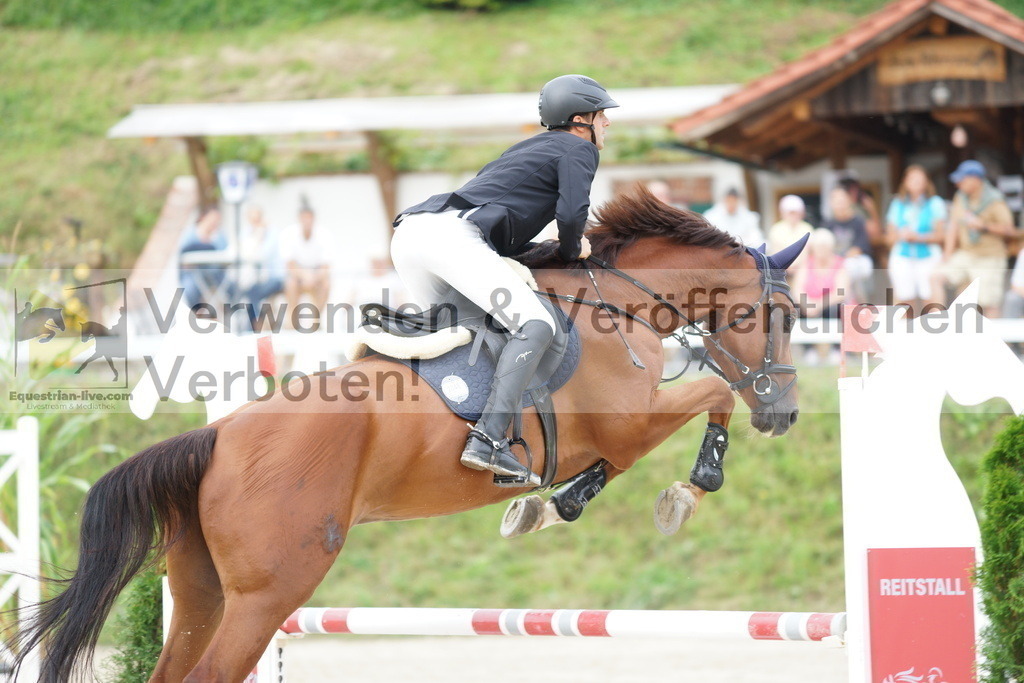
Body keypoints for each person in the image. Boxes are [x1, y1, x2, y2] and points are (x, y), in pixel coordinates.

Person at [391, 74, 617, 485]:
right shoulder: (579, 149)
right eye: (603, 116)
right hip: (450, 239)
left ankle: (439, 424)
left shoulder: (530, 147)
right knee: (536, 325)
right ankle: (488, 439)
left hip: (411, 236)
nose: (608, 124)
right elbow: (570, 217)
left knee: (469, 330)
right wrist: (573, 249)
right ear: (581, 119)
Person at [932, 160, 1014, 318]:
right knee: (936, 276)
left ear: (976, 179)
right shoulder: (961, 197)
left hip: (989, 257)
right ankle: (937, 323)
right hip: (966, 253)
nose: (958, 183)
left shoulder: (995, 200)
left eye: (962, 179)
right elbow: (954, 227)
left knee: (988, 301)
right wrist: (947, 255)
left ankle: (992, 339)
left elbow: (1009, 229)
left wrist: (983, 226)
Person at [884, 166, 947, 315]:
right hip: (902, 256)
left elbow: (941, 235)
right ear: (905, 182)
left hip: (928, 256)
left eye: (920, 179)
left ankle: (934, 332)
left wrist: (918, 237)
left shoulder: (935, 203)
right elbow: (889, 237)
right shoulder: (898, 204)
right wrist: (901, 235)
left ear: (926, 182)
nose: (916, 182)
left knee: (931, 300)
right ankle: (905, 334)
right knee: (903, 301)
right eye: (912, 179)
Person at [791, 228, 850, 366]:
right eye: (819, 247)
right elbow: (797, 289)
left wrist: (819, 304)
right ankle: (809, 350)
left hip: (829, 304)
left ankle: (835, 349)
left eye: (825, 247)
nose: (821, 250)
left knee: (837, 308)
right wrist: (808, 303)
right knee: (796, 307)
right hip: (809, 305)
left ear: (831, 247)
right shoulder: (807, 264)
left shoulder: (839, 264)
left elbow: (841, 292)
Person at [282, 202, 331, 330]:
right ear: (299, 219)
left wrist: (313, 278)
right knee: (290, 283)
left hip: (316, 274)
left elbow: (325, 266)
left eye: (309, 217)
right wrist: (305, 276)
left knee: (326, 284)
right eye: (304, 218)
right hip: (298, 274)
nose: (307, 221)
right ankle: (292, 321)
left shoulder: (324, 234)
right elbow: (290, 264)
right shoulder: (289, 233)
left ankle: (315, 320)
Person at [236, 205, 285, 330]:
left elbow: (262, 255)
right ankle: (252, 325)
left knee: (253, 292)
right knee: (246, 289)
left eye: (257, 219)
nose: (254, 223)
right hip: (251, 279)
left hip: (274, 278)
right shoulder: (245, 232)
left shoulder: (272, 233)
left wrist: (259, 234)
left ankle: (253, 326)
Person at [824, 186, 873, 304]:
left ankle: (858, 304)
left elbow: (859, 248)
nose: (840, 204)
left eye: (842, 200)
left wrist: (840, 260)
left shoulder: (858, 221)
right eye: (836, 201)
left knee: (849, 267)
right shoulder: (828, 224)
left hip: (856, 261)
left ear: (849, 202)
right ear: (831, 203)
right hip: (835, 262)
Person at [179, 207, 228, 312]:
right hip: (194, 274)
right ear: (203, 218)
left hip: (214, 274)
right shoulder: (191, 234)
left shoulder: (219, 236)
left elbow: (225, 254)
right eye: (212, 219)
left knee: (228, 288)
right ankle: (199, 314)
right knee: (191, 288)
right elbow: (183, 259)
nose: (214, 223)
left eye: (216, 220)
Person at [767, 194, 813, 272]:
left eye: (796, 212)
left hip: (803, 272)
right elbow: (775, 253)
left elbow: (810, 253)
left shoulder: (807, 228)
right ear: (783, 213)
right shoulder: (776, 229)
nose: (793, 216)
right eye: (790, 213)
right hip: (780, 271)